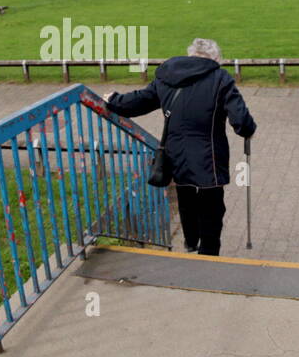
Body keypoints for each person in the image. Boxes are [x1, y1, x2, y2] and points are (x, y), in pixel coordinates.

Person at [105, 38, 256, 256]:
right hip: (209, 157)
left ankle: (191, 242)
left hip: (176, 154)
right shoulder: (220, 79)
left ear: (190, 55)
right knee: (211, 205)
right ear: (216, 59)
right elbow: (241, 122)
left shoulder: (167, 76)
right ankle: (209, 252)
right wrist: (249, 129)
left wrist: (114, 100)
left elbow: (139, 102)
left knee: (186, 197)